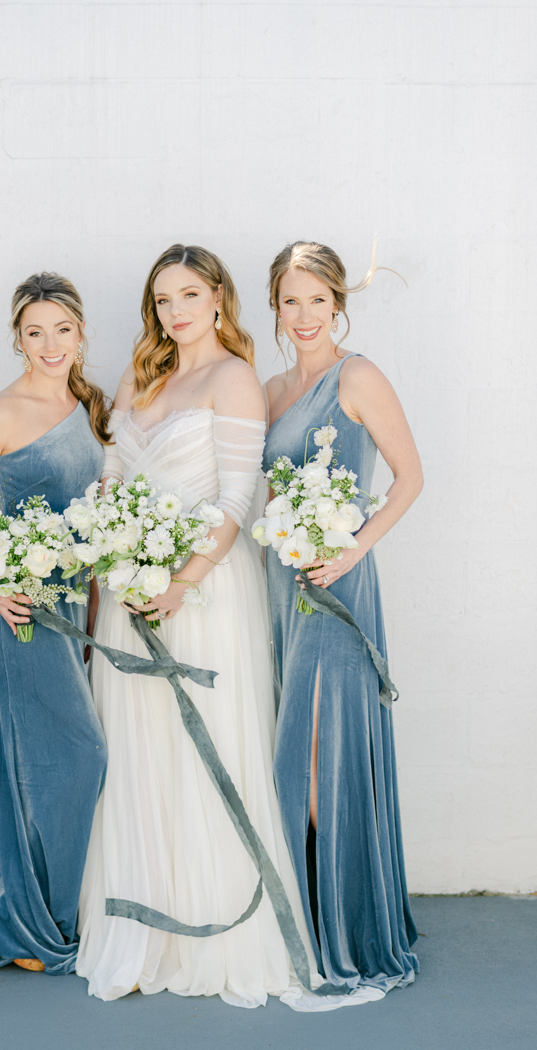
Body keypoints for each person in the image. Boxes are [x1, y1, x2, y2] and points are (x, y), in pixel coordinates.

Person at [75, 244, 380, 1011]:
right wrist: (117, 558)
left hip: (204, 596)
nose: (174, 312)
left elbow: (239, 500)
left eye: (188, 295)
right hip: (128, 593)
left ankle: (218, 929)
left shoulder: (237, 378)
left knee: (201, 748)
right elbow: (110, 481)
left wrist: (179, 582)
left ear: (219, 298)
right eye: (162, 299)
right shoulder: (138, 377)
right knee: (139, 753)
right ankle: (148, 932)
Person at [264, 241, 423, 996]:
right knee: (293, 750)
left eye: (316, 301)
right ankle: (314, 912)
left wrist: (352, 550)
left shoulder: (357, 376)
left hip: (336, 584)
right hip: (280, 585)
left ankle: (349, 929)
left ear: (338, 305)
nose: (304, 316)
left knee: (325, 758)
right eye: (290, 301)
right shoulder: (268, 389)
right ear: (274, 306)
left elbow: (409, 477)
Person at [0, 272, 108, 974]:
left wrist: (97, 612)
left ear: (79, 333)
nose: (49, 344)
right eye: (34, 332)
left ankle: (41, 915)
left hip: (75, 605)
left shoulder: (90, 405)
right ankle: (35, 928)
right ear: (18, 337)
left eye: (61, 330)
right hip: (20, 610)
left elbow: (96, 516)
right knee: (69, 758)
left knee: (55, 759)